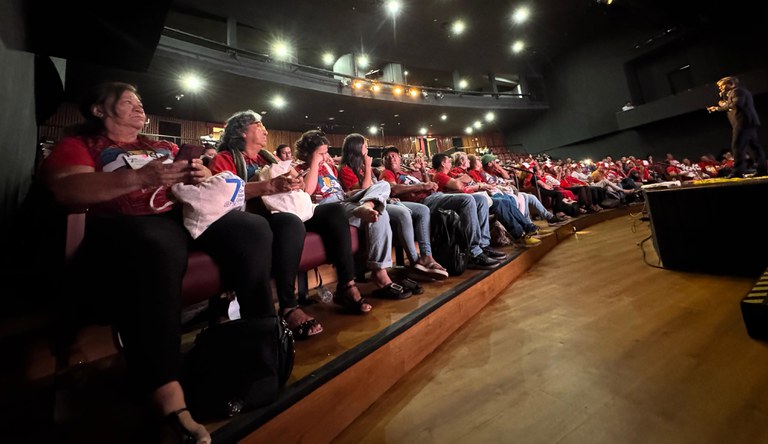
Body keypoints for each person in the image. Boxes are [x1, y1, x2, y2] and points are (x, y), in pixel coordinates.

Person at [40, 82, 280, 444]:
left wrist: (202, 175)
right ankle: (167, 393)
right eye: (127, 102)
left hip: (179, 218)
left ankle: (259, 349)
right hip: (122, 227)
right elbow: (66, 190)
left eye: (141, 103)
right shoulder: (81, 145)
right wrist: (139, 176)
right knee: (159, 244)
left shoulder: (162, 146)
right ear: (98, 110)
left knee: (253, 228)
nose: (139, 108)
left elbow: (205, 187)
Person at [209, 110, 371, 324]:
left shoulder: (267, 158)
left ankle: (346, 285)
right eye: (258, 125)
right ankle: (288, 305)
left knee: (335, 211)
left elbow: (298, 186)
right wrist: (269, 187)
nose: (265, 130)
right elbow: (220, 194)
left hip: (290, 206)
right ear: (242, 132)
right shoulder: (225, 159)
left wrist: (297, 183)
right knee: (290, 223)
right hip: (260, 215)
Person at [294, 130, 412, 300]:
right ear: (311, 154)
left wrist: (358, 193)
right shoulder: (300, 169)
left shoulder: (329, 169)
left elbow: (342, 192)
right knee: (381, 213)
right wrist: (315, 162)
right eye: (322, 153)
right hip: (328, 209)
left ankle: (367, 205)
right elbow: (308, 191)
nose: (326, 156)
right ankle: (380, 273)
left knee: (383, 187)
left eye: (326, 152)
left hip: (344, 201)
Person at [338, 135, 448, 281]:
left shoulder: (364, 167)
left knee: (422, 210)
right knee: (402, 212)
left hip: (383, 200)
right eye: (365, 146)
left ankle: (427, 256)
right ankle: (415, 262)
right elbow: (364, 189)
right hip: (361, 203)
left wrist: (386, 195)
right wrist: (368, 165)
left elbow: (376, 188)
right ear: (357, 148)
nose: (367, 149)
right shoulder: (346, 169)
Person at [379, 147, 503, 270]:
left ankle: (483, 246)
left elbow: (429, 186)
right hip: (424, 202)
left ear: (399, 158)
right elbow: (393, 190)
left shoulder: (406, 174)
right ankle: (473, 253)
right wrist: (421, 186)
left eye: (394, 156)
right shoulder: (387, 173)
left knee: (480, 200)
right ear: (383, 162)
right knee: (467, 200)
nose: (391, 158)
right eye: (387, 157)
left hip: (436, 196)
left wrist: (423, 172)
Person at [707, 76, 767, 178]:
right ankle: (762, 169)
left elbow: (737, 104)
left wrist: (725, 103)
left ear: (731, 84)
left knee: (737, 147)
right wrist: (720, 106)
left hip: (742, 123)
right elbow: (732, 105)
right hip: (748, 123)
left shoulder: (737, 91)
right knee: (754, 147)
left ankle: (738, 172)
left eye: (722, 86)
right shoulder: (738, 91)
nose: (720, 89)